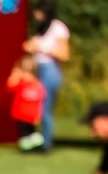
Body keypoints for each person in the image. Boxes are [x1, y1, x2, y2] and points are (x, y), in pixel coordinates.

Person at [23, 0, 68, 154]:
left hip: (50, 70)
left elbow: (64, 54)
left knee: (45, 108)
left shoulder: (58, 28)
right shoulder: (41, 28)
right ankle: (35, 140)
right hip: (38, 69)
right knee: (35, 107)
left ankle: (46, 143)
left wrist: (41, 47)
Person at [8, 54, 47, 152]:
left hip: (31, 115)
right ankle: (26, 147)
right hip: (21, 114)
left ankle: (34, 146)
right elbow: (10, 86)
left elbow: (41, 98)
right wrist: (15, 75)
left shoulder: (37, 84)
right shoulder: (20, 82)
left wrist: (38, 114)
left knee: (30, 132)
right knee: (24, 132)